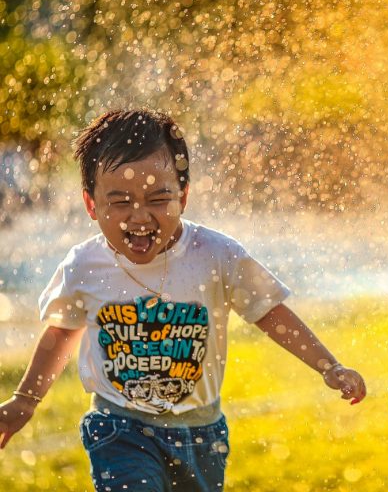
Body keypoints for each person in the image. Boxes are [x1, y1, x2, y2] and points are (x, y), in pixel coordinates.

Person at [0, 109, 366, 491]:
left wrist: (328, 365)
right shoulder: (85, 265)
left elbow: (269, 312)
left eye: (158, 198)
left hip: (201, 434)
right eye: (120, 202)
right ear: (92, 205)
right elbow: (61, 333)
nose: (139, 217)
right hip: (118, 427)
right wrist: (25, 400)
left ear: (183, 196)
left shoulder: (215, 254)